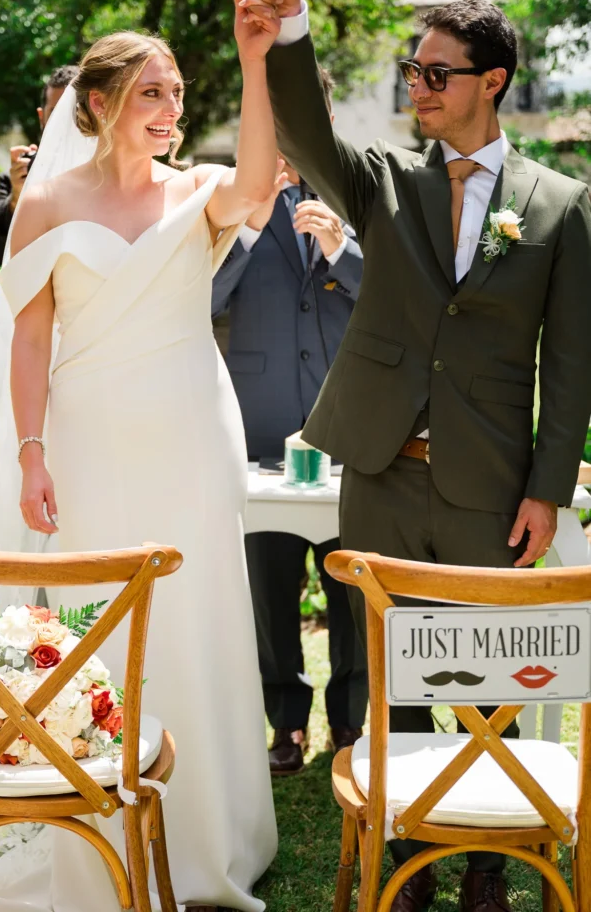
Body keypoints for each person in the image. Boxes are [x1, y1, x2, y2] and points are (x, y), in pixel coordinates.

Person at [241, 0, 591, 912]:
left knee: (491, 682)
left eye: (439, 71)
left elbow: (569, 365)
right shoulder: (384, 181)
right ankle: (415, 860)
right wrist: (295, 25)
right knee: (397, 685)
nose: (418, 86)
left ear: (493, 82)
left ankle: (488, 860)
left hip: (490, 483)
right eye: (413, 68)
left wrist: (546, 487)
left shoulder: (558, 205)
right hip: (382, 474)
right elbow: (307, 129)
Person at [0, 0, 281, 912]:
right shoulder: (45, 201)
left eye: (175, 94)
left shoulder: (200, 189)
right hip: (88, 441)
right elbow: (28, 336)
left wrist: (255, 58)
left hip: (189, 437)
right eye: (149, 96)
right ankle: (96, 832)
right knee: (103, 627)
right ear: (98, 106)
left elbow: (258, 187)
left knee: (198, 616)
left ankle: (212, 840)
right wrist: (35, 453)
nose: (170, 113)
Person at [211, 68, 367, 775]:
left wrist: (341, 248)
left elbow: (400, 298)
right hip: (261, 427)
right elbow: (202, 295)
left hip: (350, 429)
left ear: (324, 117)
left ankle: (351, 722)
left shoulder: (366, 189)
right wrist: (245, 229)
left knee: (354, 587)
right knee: (269, 585)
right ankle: (285, 722)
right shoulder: (227, 195)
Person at [0, 64, 79, 267]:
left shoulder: (113, 171)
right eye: (56, 113)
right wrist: (16, 200)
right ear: (42, 117)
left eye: (73, 111)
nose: (65, 122)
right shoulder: (19, 175)